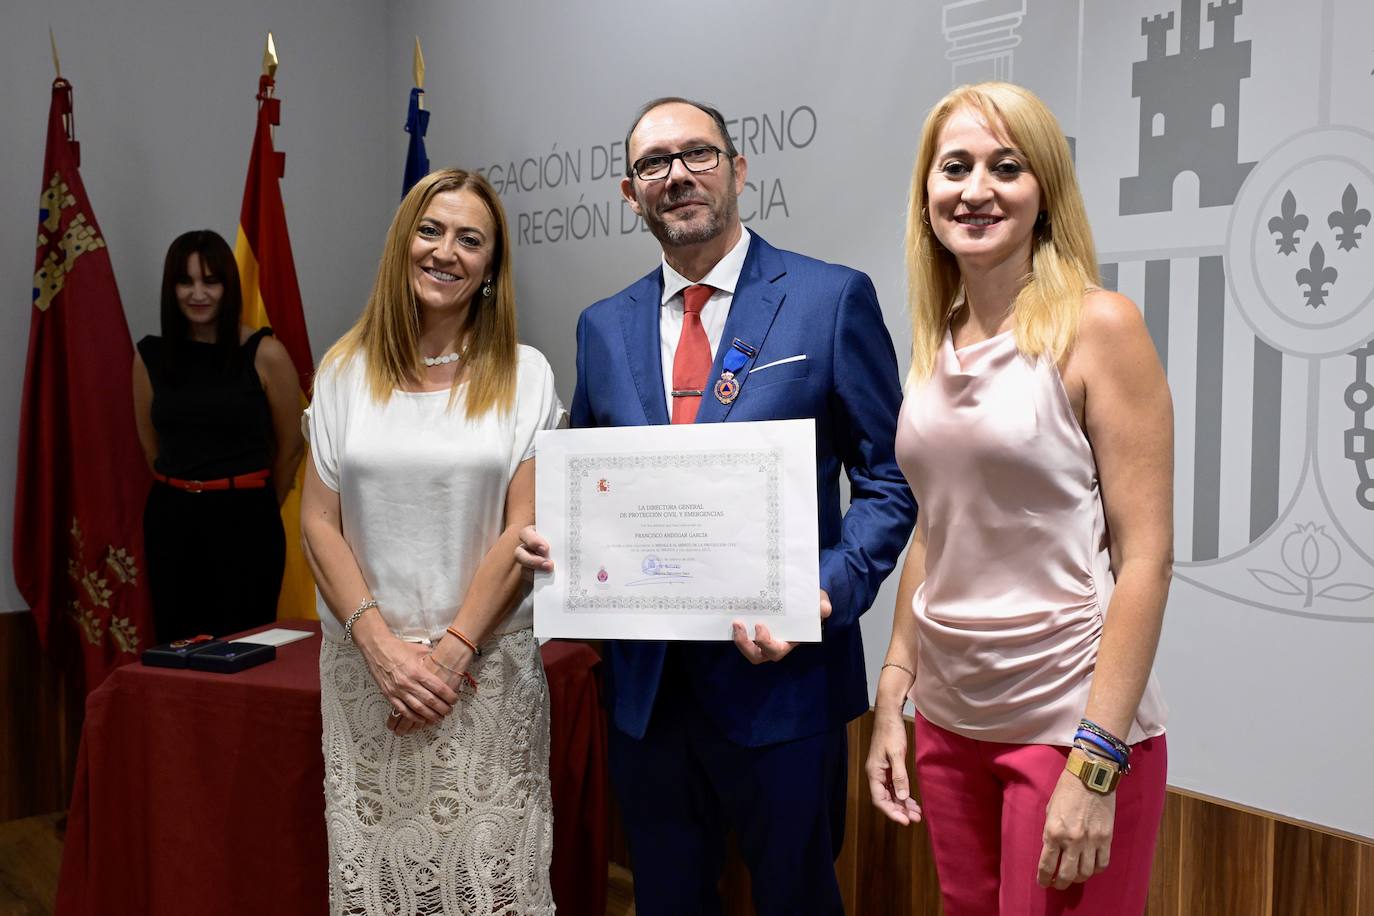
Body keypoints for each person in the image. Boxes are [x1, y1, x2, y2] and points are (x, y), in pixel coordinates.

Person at [516, 97, 916, 915]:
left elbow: (890, 479)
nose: (677, 176)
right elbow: (595, 483)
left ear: (738, 169)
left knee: (797, 900)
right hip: (648, 696)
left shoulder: (829, 299)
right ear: (632, 196)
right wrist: (556, 544)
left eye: (697, 154)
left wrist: (826, 588)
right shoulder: (601, 327)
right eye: (654, 164)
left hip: (786, 687)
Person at [865, 81, 1172, 915]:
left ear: (1045, 194)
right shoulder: (937, 341)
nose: (976, 190)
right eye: (954, 167)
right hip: (950, 717)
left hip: (1068, 722)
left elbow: (1146, 558)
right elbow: (934, 530)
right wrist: (896, 683)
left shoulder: (1100, 327)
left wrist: (1098, 759)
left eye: (1007, 167)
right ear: (926, 194)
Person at [300, 169, 563, 915]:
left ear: (490, 267)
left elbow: (525, 527)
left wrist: (450, 654)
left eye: (470, 239)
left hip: (484, 679)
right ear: (403, 243)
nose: (446, 251)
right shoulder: (345, 371)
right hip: (367, 681)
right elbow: (318, 521)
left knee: (492, 889)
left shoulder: (524, 374)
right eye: (431, 230)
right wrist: (383, 649)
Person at [132, 229, 303, 642]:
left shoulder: (266, 353)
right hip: (171, 520)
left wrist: (256, 500)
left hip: (246, 521)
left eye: (210, 281)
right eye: (186, 281)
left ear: (228, 286)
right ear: (170, 288)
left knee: (244, 651)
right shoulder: (149, 356)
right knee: (177, 653)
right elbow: (150, 444)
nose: (198, 293)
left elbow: (291, 447)